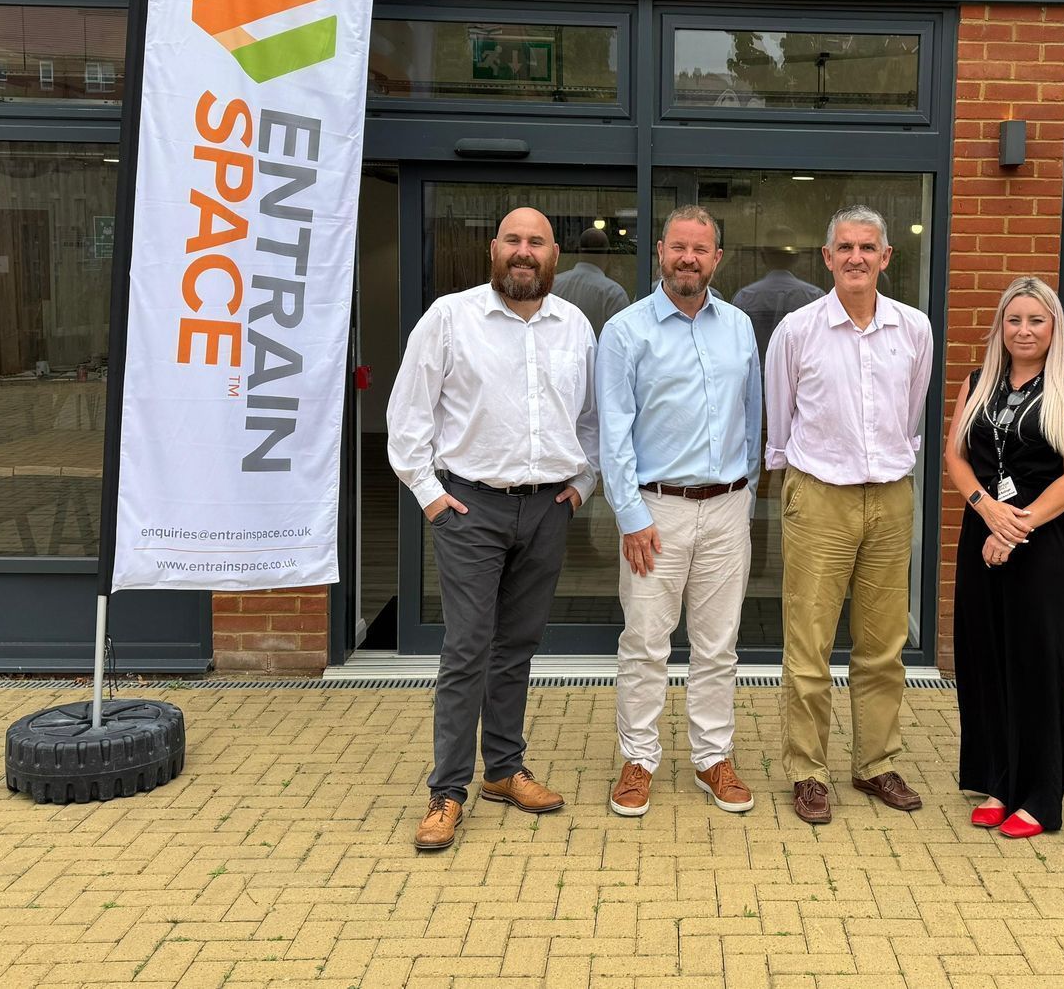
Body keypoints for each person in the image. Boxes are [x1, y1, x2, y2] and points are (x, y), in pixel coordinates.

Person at [386, 206, 600, 853]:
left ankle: (504, 769)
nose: (524, 251)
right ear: (493, 249)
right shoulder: (451, 319)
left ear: (554, 254)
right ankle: (447, 790)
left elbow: (591, 419)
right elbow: (408, 416)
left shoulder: (575, 327)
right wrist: (429, 494)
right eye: (513, 239)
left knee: (517, 645)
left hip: (547, 510)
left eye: (536, 241)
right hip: (470, 508)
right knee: (467, 647)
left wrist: (582, 485)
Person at [765, 205, 934, 825]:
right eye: (845, 247)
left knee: (883, 645)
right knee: (808, 646)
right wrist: (797, 484)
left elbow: (910, 417)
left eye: (869, 247)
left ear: (886, 258)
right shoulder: (798, 331)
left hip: (890, 496)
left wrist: (891, 465)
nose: (857, 257)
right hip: (820, 496)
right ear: (827, 258)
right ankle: (807, 770)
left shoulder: (914, 330)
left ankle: (875, 764)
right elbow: (779, 425)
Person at [596, 206, 763, 817]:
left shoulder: (740, 326)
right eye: (678, 248)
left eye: (701, 249)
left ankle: (712, 758)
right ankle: (638, 760)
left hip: (726, 508)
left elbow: (754, 414)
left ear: (717, 258)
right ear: (659, 251)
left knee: (719, 645)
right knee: (645, 643)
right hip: (655, 512)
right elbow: (611, 433)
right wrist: (630, 514)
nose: (688, 258)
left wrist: (744, 494)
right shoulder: (625, 331)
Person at [943, 277, 1064, 839]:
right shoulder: (977, 383)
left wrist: (1015, 527)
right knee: (986, 658)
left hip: (1043, 541)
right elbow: (955, 458)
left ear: (1054, 327)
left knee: (1039, 663)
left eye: (1036, 320)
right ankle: (997, 781)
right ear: (1000, 328)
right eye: (1015, 320)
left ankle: (1038, 794)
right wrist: (988, 510)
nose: (1024, 330)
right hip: (982, 531)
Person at [731, 233, 824, 358]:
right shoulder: (815, 296)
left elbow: (735, 348)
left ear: (763, 257)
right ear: (796, 257)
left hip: (759, 374)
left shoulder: (745, 296)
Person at [553, 226, 631, 338]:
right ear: (608, 254)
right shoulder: (613, 293)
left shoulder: (553, 285)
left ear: (577, 251)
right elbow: (623, 340)